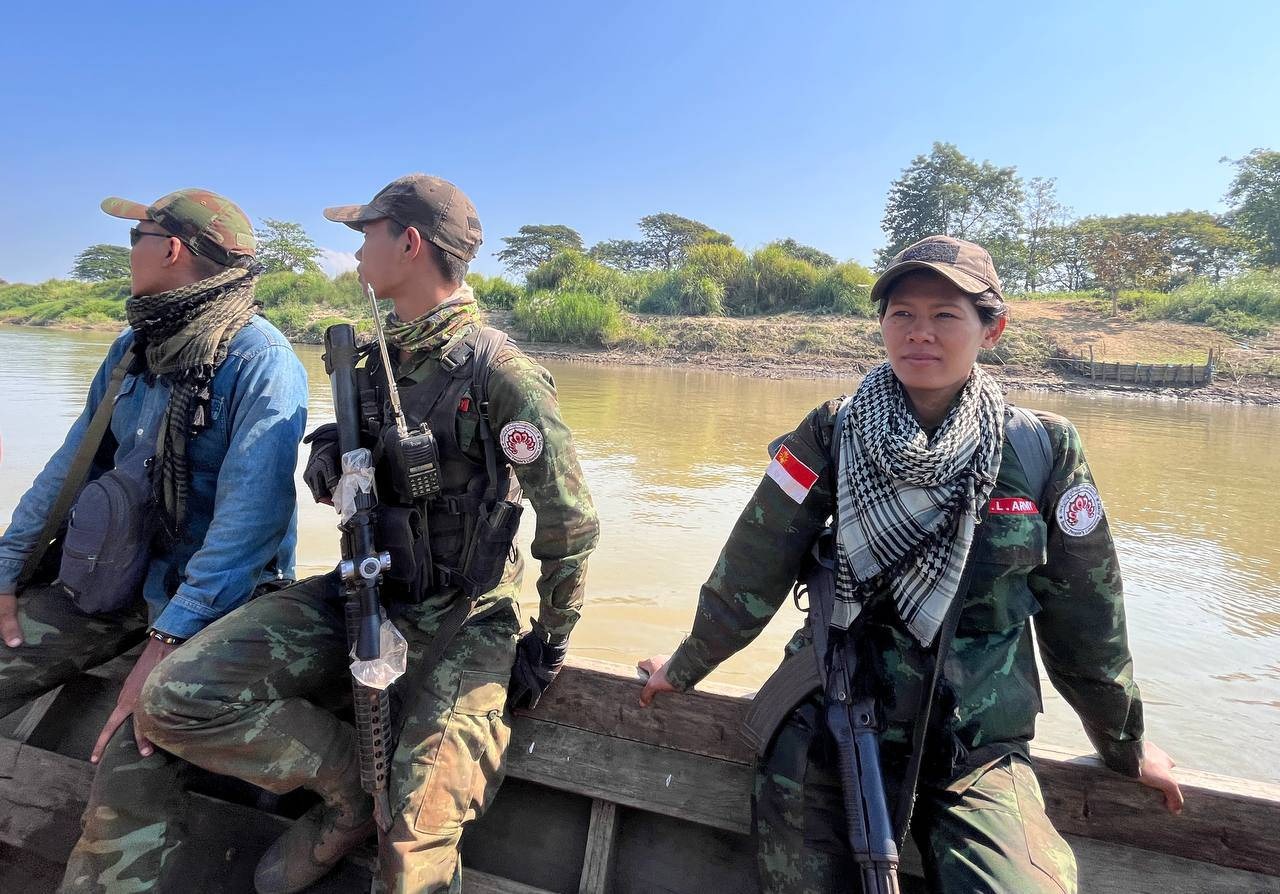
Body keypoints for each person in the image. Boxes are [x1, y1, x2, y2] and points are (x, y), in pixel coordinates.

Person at [637, 235, 1183, 893]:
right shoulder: (830, 431)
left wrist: (1125, 746)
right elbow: (754, 561)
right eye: (902, 314)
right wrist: (689, 662)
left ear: (993, 327)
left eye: (945, 315)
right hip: (828, 724)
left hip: (976, 750)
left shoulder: (1041, 449)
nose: (920, 334)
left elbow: (1087, 614)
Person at [139, 173, 600, 894]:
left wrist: (554, 639)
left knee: (411, 859)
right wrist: (329, 456)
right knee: (174, 698)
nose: (355, 256)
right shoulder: (370, 358)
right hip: (361, 589)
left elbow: (571, 521)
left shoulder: (501, 373)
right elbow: (348, 444)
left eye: (366, 237)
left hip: (465, 617)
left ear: (409, 242)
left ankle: (387, 807)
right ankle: (352, 794)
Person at [0, 189, 308, 892]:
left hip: (210, 607)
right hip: (110, 579)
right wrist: (8, 569)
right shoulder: (135, 347)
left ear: (170, 250)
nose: (128, 249)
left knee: (128, 781)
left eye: (135, 236)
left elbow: (248, 528)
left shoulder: (262, 363)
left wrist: (164, 648)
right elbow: (70, 467)